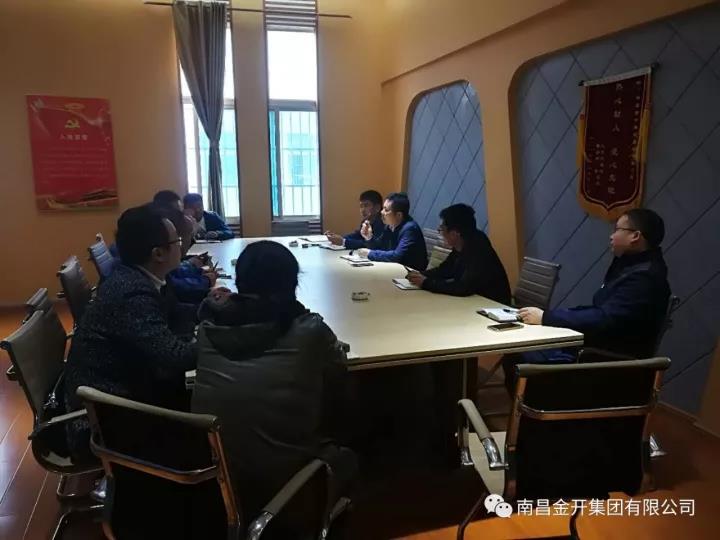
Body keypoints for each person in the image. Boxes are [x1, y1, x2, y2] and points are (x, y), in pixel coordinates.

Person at [192, 241, 355, 521]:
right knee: (349, 441)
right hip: (285, 473)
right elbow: (338, 372)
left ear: (240, 283)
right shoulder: (309, 330)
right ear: (292, 283)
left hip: (214, 470)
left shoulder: (208, 330)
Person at [64, 204, 198, 459]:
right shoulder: (131, 293)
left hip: (123, 398)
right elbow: (175, 356)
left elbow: (173, 312)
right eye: (178, 241)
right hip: (106, 422)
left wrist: (210, 309)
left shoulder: (134, 277)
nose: (182, 246)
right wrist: (215, 339)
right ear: (158, 253)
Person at [503, 208, 671, 389]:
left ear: (635, 236)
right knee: (518, 353)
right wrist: (551, 316)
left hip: (604, 364)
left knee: (518, 359)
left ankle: (532, 407)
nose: (611, 236)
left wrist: (547, 317)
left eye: (617, 229)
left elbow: (605, 318)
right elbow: (601, 311)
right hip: (595, 351)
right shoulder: (632, 266)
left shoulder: (644, 278)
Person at [406, 203, 511, 303]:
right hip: (473, 300)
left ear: (454, 233)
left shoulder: (478, 247)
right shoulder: (463, 241)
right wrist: (421, 274)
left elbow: (463, 287)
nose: (440, 233)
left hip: (491, 305)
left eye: (441, 229)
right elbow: (446, 269)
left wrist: (426, 283)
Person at [356, 192, 428, 270]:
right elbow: (380, 248)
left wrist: (370, 253)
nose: (382, 212)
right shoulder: (389, 225)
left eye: (386, 210)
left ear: (399, 215)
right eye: (383, 208)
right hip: (394, 268)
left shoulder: (410, 229)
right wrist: (369, 238)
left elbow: (397, 256)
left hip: (411, 273)